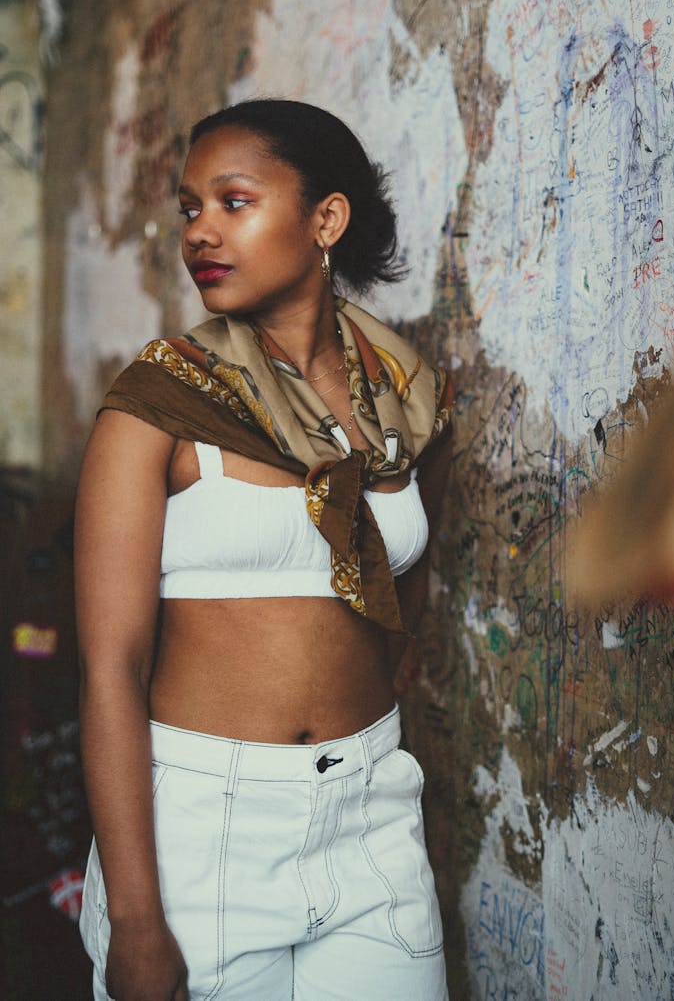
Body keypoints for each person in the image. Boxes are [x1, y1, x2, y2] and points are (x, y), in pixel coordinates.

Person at [75, 98, 454, 1001]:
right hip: (202, 838)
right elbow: (108, 671)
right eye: (189, 208)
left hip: (370, 818)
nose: (199, 232)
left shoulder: (406, 401)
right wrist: (134, 918)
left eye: (232, 203)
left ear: (325, 219)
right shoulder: (158, 405)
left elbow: (404, 603)